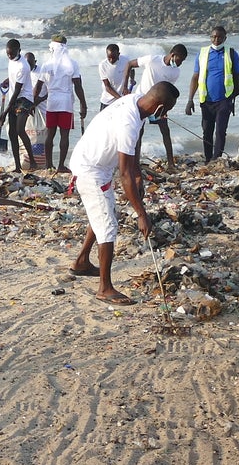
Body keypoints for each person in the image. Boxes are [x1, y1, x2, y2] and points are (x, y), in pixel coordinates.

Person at [68, 83, 179, 305]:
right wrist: (141, 214)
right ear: (158, 108)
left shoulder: (136, 102)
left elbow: (132, 157)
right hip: (91, 169)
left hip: (96, 162)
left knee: (103, 213)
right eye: (166, 111)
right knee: (108, 226)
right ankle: (105, 288)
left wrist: (138, 174)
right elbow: (124, 174)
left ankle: (81, 262)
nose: (165, 115)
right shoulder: (129, 121)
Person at [183, 25, 239, 162]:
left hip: (225, 99)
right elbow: (195, 76)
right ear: (210, 37)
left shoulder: (231, 53)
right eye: (213, 36)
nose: (216, 39)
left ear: (225, 38)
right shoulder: (202, 53)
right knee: (207, 131)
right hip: (206, 100)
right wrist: (190, 100)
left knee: (220, 131)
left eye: (219, 37)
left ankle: (216, 159)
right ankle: (208, 158)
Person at [38, 35, 86, 171]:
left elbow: (38, 86)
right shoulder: (72, 64)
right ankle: (60, 166)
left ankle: (48, 164)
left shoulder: (46, 65)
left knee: (50, 134)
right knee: (64, 135)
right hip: (66, 103)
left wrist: (33, 102)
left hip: (51, 102)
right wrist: (83, 104)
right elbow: (78, 85)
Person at [133, 45, 187, 163]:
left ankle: (170, 163)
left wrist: (165, 110)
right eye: (180, 60)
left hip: (158, 104)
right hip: (142, 100)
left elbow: (168, 90)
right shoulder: (152, 60)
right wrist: (127, 86)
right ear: (173, 55)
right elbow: (130, 64)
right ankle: (135, 161)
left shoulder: (175, 72)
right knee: (139, 132)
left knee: (165, 131)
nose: (180, 64)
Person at [0, 41, 44, 171]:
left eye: (12, 53)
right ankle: (18, 167)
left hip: (25, 99)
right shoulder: (11, 60)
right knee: (12, 133)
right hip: (14, 97)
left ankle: (33, 161)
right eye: (7, 53)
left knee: (20, 130)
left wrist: (6, 111)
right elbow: (13, 77)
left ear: (19, 50)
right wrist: (7, 80)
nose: (9, 56)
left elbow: (18, 90)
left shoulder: (23, 67)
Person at [98, 43, 135, 108]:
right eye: (109, 58)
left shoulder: (126, 60)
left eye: (113, 58)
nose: (111, 60)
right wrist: (120, 99)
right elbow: (107, 87)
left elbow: (131, 70)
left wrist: (132, 79)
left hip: (121, 102)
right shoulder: (103, 65)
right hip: (107, 102)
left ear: (118, 54)